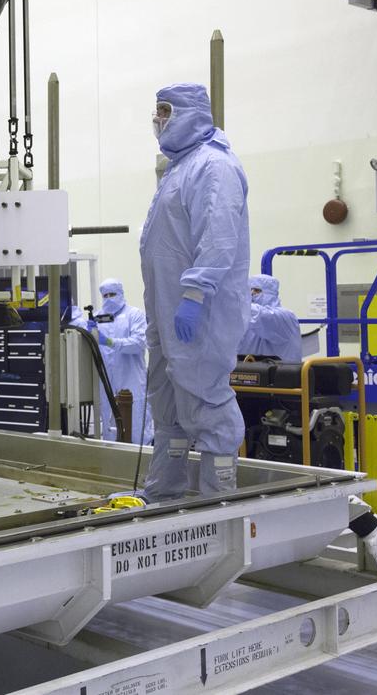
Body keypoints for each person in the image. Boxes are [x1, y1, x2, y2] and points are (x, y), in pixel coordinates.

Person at [140, 83, 250, 499]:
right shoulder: (180, 168)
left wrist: (196, 294)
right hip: (169, 308)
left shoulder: (213, 166)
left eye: (166, 111)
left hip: (199, 311)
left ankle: (217, 496)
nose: (159, 120)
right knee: (167, 398)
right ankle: (165, 489)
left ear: (191, 113)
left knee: (205, 396)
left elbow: (218, 236)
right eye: (157, 112)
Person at [95, 279, 152, 445]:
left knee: (136, 426)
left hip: (131, 380)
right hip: (106, 383)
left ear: (121, 293)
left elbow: (139, 342)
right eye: (105, 295)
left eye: (112, 294)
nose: (109, 298)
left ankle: (140, 467)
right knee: (109, 427)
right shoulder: (99, 317)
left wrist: (111, 342)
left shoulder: (135, 315)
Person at [239, 274, 303, 360]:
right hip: (251, 371)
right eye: (249, 290)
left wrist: (231, 301)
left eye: (257, 290)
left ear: (271, 294)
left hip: (283, 372)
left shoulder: (286, 318)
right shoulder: (247, 320)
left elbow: (261, 316)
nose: (251, 294)